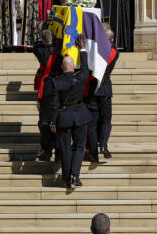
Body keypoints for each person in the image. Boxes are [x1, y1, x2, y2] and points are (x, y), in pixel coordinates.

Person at [50, 39, 94, 189]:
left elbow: (54, 104)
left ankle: (67, 178)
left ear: (62, 68)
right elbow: (86, 69)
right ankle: (75, 174)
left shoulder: (56, 82)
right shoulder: (80, 77)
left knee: (65, 149)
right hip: (80, 114)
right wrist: (82, 50)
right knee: (79, 146)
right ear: (74, 67)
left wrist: (53, 122)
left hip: (63, 117)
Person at [33, 29, 62, 161]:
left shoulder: (41, 50)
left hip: (48, 88)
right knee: (56, 120)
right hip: (60, 86)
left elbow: (35, 46)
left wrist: (42, 38)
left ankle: (47, 149)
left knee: (44, 121)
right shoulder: (61, 50)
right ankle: (57, 148)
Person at [93, 26, 119, 159]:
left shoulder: (106, 50)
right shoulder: (110, 49)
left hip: (100, 85)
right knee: (104, 119)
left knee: (103, 118)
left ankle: (102, 145)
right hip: (101, 87)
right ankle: (101, 144)